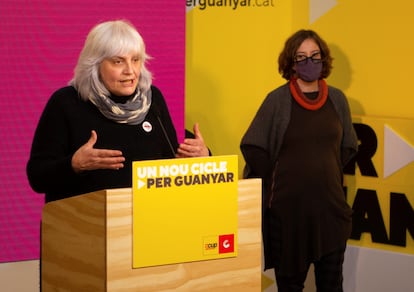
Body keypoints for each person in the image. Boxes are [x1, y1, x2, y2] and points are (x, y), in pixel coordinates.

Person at [27, 19, 209, 203]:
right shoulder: (66, 102)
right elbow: (37, 176)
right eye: (118, 62)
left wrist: (202, 156)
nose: (130, 71)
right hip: (83, 224)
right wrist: (74, 164)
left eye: (135, 60)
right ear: (95, 65)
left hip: (150, 218)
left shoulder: (152, 99)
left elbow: (171, 158)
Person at [240, 29, 358, 291]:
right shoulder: (277, 101)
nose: (309, 62)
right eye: (301, 57)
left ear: (324, 59)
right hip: (288, 220)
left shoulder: (337, 99)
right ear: (291, 63)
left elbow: (347, 147)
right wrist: (279, 185)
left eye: (315, 56)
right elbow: (253, 146)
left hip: (331, 215)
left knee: (332, 286)